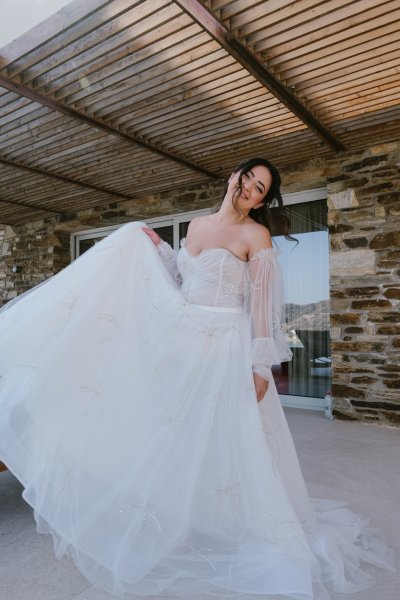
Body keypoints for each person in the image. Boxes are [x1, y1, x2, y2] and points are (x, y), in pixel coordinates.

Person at [0, 158, 394, 600]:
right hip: (184, 345)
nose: (250, 190)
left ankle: (240, 521)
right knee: (182, 437)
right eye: (247, 179)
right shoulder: (195, 225)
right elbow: (182, 280)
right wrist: (155, 246)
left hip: (226, 348)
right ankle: (187, 516)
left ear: (263, 200)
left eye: (260, 189)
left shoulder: (256, 235)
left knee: (232, 440)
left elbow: (263, 305)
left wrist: (262, 364)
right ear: (233, 178)